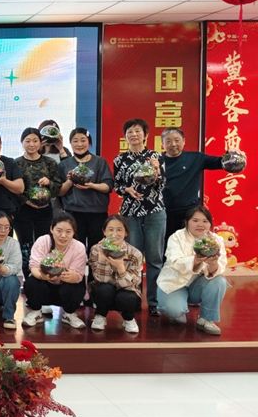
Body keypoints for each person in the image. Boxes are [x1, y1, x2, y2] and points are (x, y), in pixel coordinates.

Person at [113, 118, 166, 315]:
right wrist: (126, 189)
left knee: (154, 258)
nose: (134, 135)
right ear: (125, 136)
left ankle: (154, 303)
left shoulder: (155, 156)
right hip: (130, 213)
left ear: (146, 135)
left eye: (137, 131)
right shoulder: (119, 160)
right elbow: (116, 185)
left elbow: (162, 185)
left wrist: (156, 169)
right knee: (132, 258)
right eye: (130, 132)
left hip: (154, 211)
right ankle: (133, 299)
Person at [157, 205, 227, 335]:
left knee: (220, 281)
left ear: (210, 224)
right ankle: (177, 309)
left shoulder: (216, 240)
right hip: (174, 284)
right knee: (175, 312)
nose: (200, 224)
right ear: (186, 222)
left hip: (197, 286)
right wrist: (195, 261)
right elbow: (175, 262)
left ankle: (206, 319)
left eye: (205, 221)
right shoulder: (177, 237)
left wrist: (213, 263)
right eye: (195, 220)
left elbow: (220, 268)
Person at [58, 128, 113, 276]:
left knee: (97, 251)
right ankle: (76, 283)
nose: (79, 144)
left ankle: (95, 284)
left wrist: (92, 185)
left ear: (89, 142)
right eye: (75, 141)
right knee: (75, 252)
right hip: (73, 214)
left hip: (97, 213)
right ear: (70, 143)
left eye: (83, 140)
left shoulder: (100, 162)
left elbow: (108, 186)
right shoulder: (64, 164)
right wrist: (70, 180)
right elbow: (59, 192)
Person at [161, 127, 224, 243]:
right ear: (162, 144)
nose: (173, 144)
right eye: (168, 141)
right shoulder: (157, 162)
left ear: (184, 141)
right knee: (168, 245)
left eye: (177, 140)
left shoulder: (196, 158)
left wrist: (233, 155)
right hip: (165, 213)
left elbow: (221, 162)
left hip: (191, 213)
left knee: (193, 245)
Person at [23, 213, 87, 329]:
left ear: (74, 232)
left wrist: (70, 276)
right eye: (59, 230)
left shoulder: (79, 247)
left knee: (77, 286)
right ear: (51, 229)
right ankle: (36, 312)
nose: (63, 235)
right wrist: (43, 276)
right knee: (32, 282)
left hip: (64, 286)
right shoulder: (43, 241)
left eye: (68, 232)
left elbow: (78, 275)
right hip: (44, 284)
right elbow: (34, 267)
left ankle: (69, 314)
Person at [15, 127, 62, 278]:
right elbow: (13, 189)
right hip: (23, 210)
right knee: (25, 245)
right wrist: (26, 201)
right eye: (27, 141)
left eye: (35, 140)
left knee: (45, 244)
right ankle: (28, 278)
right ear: (22, 142)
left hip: (45, 210)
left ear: (41, 142)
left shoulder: (49, 162)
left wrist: (49, 183)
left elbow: (58, 188)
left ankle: (45, 276)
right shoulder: (16, 163)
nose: (31, 144)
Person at [88, 215, 143, 333]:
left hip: (125, 290)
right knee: (103, 290)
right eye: (110, 229)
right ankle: (100, 315)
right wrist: (102, 260)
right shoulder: (96, 249)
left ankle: (128, 318)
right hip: (105, 289)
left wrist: (121, 268)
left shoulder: (135, 253)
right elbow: (100, 280)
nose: (114, 234)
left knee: (128, 297)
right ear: (104, 232)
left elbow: (132, 285)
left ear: (126, 233)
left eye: (119, 230)